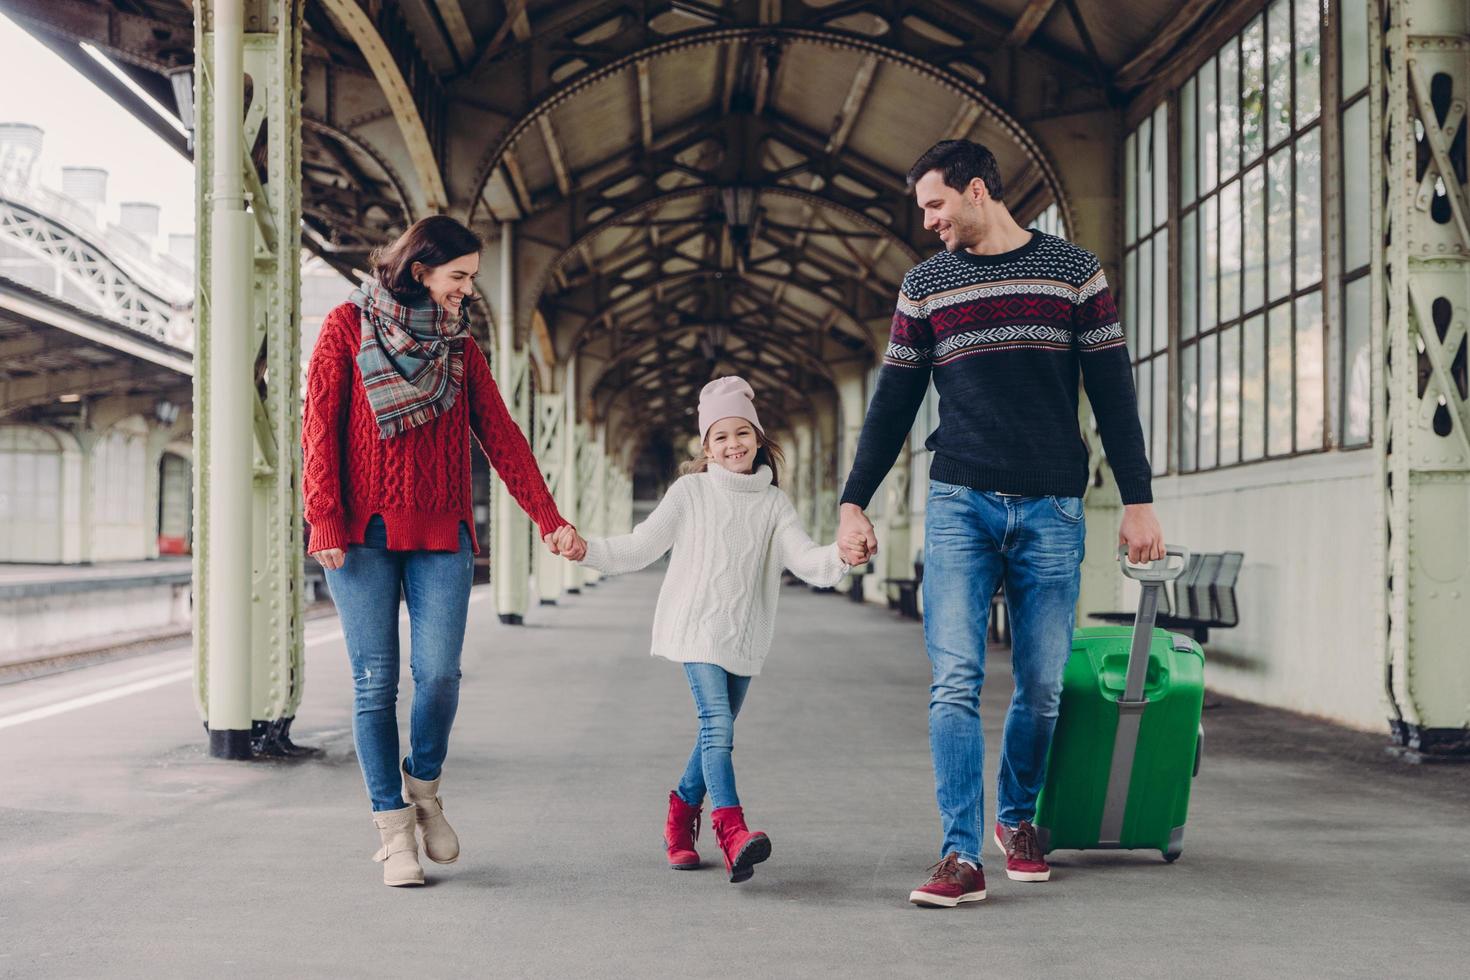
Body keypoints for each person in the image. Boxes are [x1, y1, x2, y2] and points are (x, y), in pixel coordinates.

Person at [834, 140, 1166, 908]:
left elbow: (1114, 394)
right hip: (959, 503)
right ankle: (958, 853)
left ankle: (1017, 820)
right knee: (955, 681)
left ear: (976, 190)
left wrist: (1139, 498)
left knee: (1042, 685)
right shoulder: (925, 286)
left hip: (1051, 504)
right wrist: (855, 498)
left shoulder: (1076, 274)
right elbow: (893, 404)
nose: (928, 222)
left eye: (935, 205)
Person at [302, 215, 585, 887]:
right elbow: (318, 425)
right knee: (375, 686)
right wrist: (323, 519)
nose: (466, 291)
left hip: (442, 532)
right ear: (420, 270)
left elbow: (504, 436)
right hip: (363, 536)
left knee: (440, 676)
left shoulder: (461, 348)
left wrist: (549, 519)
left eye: (472, 280)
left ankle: (424, 789)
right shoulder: (346, 326)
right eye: (458, 278)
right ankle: (393, 835)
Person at [577, 377, 849, 883]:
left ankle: (679, 821)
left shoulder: (773, 505)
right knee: (717, 726)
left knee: (713, 733)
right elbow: (641, 546)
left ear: (759, 439)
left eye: (742, 433)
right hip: (696, 628)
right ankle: (731, 830)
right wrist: (585, 550)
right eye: (720, 437)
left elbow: (808, 559)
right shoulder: (691, 492)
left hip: (743, 635)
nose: (733, 445)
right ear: (706, 447)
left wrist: (842, 554)